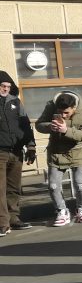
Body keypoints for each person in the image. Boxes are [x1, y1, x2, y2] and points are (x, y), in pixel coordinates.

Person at [35, 91, 82, 225]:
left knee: (80, 184)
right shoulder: (50, 107)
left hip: (79, 153)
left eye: (67, 113)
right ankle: (61, 211)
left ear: (74, 107)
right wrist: (49, 126)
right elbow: (39, 125)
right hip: (56, 153)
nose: (63, 115)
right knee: (53, 185)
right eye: (60, 112)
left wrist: (66, 130)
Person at [0, 71, 36, 236]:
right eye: (3, 86)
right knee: (0, 189)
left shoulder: (15, 102)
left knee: (14, 188)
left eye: (8, 86)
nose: (6, 89)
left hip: (16, 151)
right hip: (1, 151)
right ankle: (3, 223)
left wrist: (31, 146)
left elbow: (26, 125)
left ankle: (14, 218)